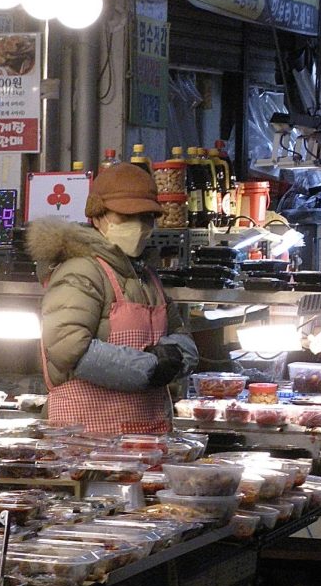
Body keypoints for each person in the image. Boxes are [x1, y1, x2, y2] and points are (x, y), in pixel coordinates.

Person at [26, 162, 198, 434]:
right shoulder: (81, 271)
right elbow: (68, 348)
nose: (139, 226)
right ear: (98, 217)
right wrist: (150, 368)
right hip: (86, 439)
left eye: (146, 218)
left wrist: (175, 356)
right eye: (126, 217)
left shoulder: (148, 277)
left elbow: (182, 335)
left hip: (145, 437)